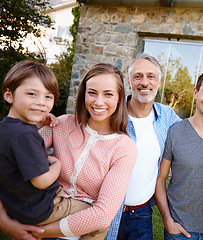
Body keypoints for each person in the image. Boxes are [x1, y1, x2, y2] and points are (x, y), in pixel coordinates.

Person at [0, 63, 137, 239]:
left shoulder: (124, 147)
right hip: (42, 208)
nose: (98, 102)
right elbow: (12, 156)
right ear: (83, 94)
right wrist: (3, 219)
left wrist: (38, 233)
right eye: (92, 93)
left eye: (108, 94)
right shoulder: (61, 124)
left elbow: (103, 215)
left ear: (119, 98)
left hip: (70, 227)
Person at [114, 53, 203, 240]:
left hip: (141, 213)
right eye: (138, 76)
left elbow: (193, 131)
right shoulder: (111, 114)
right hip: (108, 208)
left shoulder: (167, 117)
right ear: (129, 81)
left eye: (151, 76)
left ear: (158, 81)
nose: (144, 82)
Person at [155, 70, 203, 240]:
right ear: (196, 93)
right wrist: (168, 221)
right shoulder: (175, 132)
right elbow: (160, 179)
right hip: (177, 230)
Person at [0, 60, 61, 226]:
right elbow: (41, 181)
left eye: (48, 96)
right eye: (32, 94)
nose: (41, 102)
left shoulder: (6, 128)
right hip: (39, 208)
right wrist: (57, 164)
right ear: (9, 95)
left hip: (16, 206)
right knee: (96, 217)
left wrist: (39, 124)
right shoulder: (26, 135)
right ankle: (45, 232)